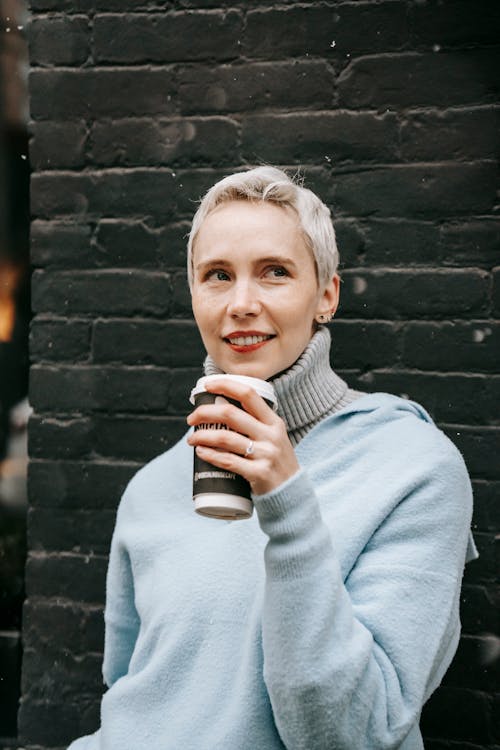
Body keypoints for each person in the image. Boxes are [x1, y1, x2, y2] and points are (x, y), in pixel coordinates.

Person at [68, 167, 477, 750]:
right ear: (194, 298)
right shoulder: (152, 487)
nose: (241, 304)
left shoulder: (413, 468)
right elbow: (131, 694)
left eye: (275, 272)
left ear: (326, 295)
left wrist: (287, 504)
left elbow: (356, 735)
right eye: (217, 276)